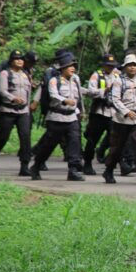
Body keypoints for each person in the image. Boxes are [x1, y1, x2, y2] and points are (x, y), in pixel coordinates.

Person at [29, 52, 85, 181]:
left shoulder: (76, 79)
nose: (73, 68)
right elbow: (53, 95)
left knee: (75, 142)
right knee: (49, 145)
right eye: (70, 66)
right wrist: (65, 100)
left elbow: (80, 95)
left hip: (72, 117)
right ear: (63, 68)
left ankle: (73, 170)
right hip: (56, 118)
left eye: (74, 66)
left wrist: (82, 110)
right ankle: (36, 166)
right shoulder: (54, 81)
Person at [0, 50, 33, 176]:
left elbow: (28, 92)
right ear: (11, 61)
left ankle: (25, 165)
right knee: (2, 137)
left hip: (23, 111)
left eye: (21, 59)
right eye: (16, 59)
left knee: (25, 137)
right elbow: (3, 91)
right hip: (8, 110)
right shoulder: (5, 74)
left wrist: (28, 106)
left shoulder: (26, 74)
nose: (19, 61)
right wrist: (13, 98)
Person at [103, 54, 136, 185]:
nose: (132, 67)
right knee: (117, 147)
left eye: (135, 65)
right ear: (125, 67)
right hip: (121, 119)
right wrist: (126, 111)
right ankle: (109, 170)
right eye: (130, 65)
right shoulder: (119, 81)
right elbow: (115, 99)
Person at [82, 54, 119, 175]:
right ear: (103, 65)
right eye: (108, 65)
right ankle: (87, 163)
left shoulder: (117, 75)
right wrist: (104, 91)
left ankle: (114, 163)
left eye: (112, 65)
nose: (110, 67)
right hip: (98, 113)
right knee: (92, 140)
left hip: (113, 113)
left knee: (115, 139)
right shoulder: (96, 75)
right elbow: (90, 91)